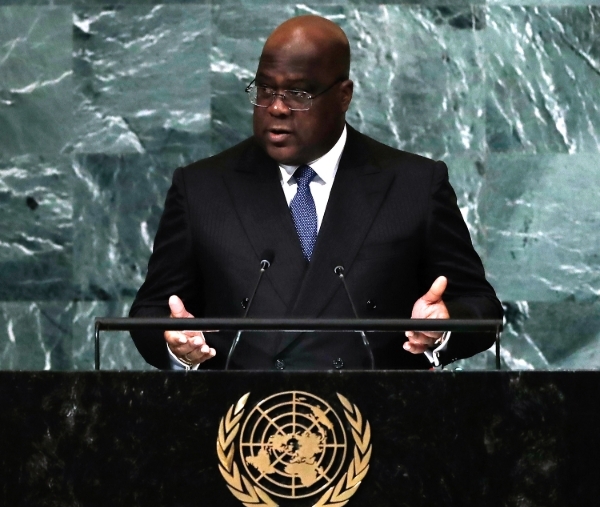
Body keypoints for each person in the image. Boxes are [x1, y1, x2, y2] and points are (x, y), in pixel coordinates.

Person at [129, 15, 502, 370]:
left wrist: (444, 325)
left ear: (343, 96)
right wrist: (174, 342)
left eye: (298, 93)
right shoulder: (202, 188)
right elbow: (152, 311)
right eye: (265, 89)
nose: (276, 108)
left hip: (381, 420)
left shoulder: (414, 184)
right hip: (247, 424)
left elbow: (480, 305)